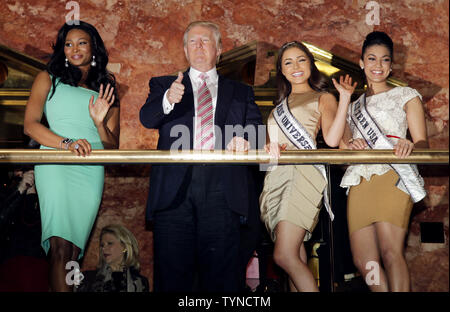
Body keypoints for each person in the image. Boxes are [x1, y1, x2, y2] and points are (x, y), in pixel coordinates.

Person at [140, 21, 263, 292]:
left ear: (219, 50)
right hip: (174, 191)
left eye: (205, 41)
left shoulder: (241, 92)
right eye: (192, 42)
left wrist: (246, 141)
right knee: (172, 276)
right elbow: (147, 118)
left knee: (222, 277)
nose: (198, 46)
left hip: (223, 188)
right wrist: (168, 100)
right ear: (184, 50)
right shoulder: (164, 84)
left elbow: (257, 132)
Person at [23, 20, 120, 292]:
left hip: (91, 169)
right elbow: (30, 125)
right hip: (56, 162)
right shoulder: (47, 78)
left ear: (94, 48)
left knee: (73, 252)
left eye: (81, 43)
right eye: (68, 44)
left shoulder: (106, 89)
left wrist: (100, 123)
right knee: (59, 247)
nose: (74, 49)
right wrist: (66, 143)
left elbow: (112, 147)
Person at [259, 41, 357, 292]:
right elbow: (270, 149)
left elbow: (333, 140)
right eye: (288, 62)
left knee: (283, 256)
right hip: (275, 179)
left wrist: (344, 99)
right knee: (296, 255)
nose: (296, 66)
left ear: (311, 64)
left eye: (301, 60)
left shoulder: (322, 97)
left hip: (302, 176)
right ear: (281, 70)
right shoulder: (278, 106)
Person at [339, 31, 428, 292]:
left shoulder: (406, 95)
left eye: (385, 60)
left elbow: (423, 142)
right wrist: (351, 144)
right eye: (372, 58)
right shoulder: (354, 105)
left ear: (391, 64)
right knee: (364, 261)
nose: (378, 66)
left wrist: (411, 144)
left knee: (390, 253)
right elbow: (342, 144)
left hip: (393, 174)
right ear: (361, 62)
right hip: (360, 179)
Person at [75, 224, 149, 292]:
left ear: (124, 247)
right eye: (102, 245)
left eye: (110, 243)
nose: (104, 248)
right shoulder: (87, 278)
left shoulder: (140, 283)